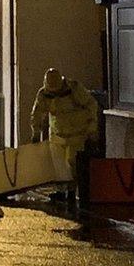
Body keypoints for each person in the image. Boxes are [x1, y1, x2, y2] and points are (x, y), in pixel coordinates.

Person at [30, 68, 99, 201]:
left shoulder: (74, 89)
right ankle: (61, 191)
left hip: (76, 134)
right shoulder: (44, 94)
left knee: (71, 163)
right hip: (57, 134)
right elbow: (37, 114)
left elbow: (91, 105)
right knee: (58, 164)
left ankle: (71, 191)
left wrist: (91, 129)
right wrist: (36, 132)